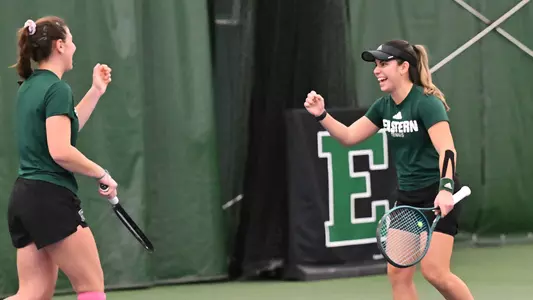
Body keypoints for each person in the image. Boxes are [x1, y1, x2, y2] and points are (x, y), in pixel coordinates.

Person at [304, 40, 474, 300]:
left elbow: (447, 151)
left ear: (404, 67)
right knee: (398, 274)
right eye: (376, 65)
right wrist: (321, 114)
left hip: (437, 193)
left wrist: (446, 189)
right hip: (407, 198)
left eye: (384, 64)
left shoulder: (426, 103)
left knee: (435, 272)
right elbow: (349, 137)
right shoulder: (383, 107)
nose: (376, 70)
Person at [5, 16, 118, 300]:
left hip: (24, 200)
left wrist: (95, 91)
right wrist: (102, 173)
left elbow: (67, 125)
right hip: (50, 199)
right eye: (71, 40)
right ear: (59, 45)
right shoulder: (57, 89)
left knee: (34, 293)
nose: (75, 47)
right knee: (91, 288)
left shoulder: (29, 87)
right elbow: (61, 150)